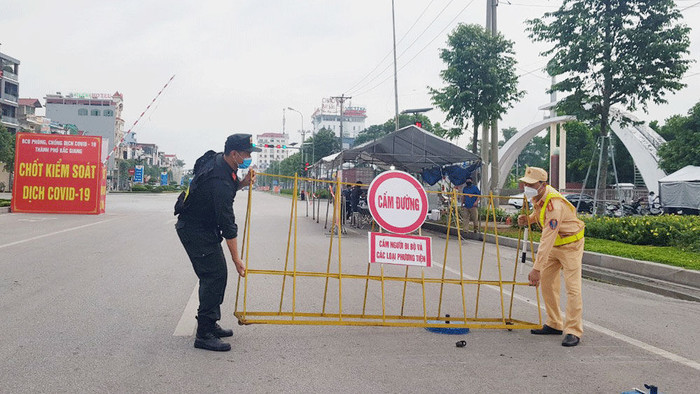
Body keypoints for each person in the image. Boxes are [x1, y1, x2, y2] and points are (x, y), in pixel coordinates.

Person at [175, 133, 261, 352]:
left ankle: (211, 324)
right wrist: (237, 259)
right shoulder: (220, 180)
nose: (248, 158)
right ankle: (204, 334)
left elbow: (221, 191)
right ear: (234, 154)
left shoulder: (220, 163)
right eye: (246, 154)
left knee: (217, 274)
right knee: (214, 276)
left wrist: (241, 183)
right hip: (195, 230)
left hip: (202, 226)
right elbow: (227, 223)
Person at [517, 167, 585, 347]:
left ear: (542, 184)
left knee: (572, 288)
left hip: (571, 245)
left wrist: (536, 268)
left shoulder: (554, 204)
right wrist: (529, 219)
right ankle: (554, 323)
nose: (527, 186)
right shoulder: (538, 197)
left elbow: (547, 237)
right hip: (555, 245)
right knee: (547, 284)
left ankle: (573, 330)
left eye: (531, 184)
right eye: (526, 183)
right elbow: (540, 215)